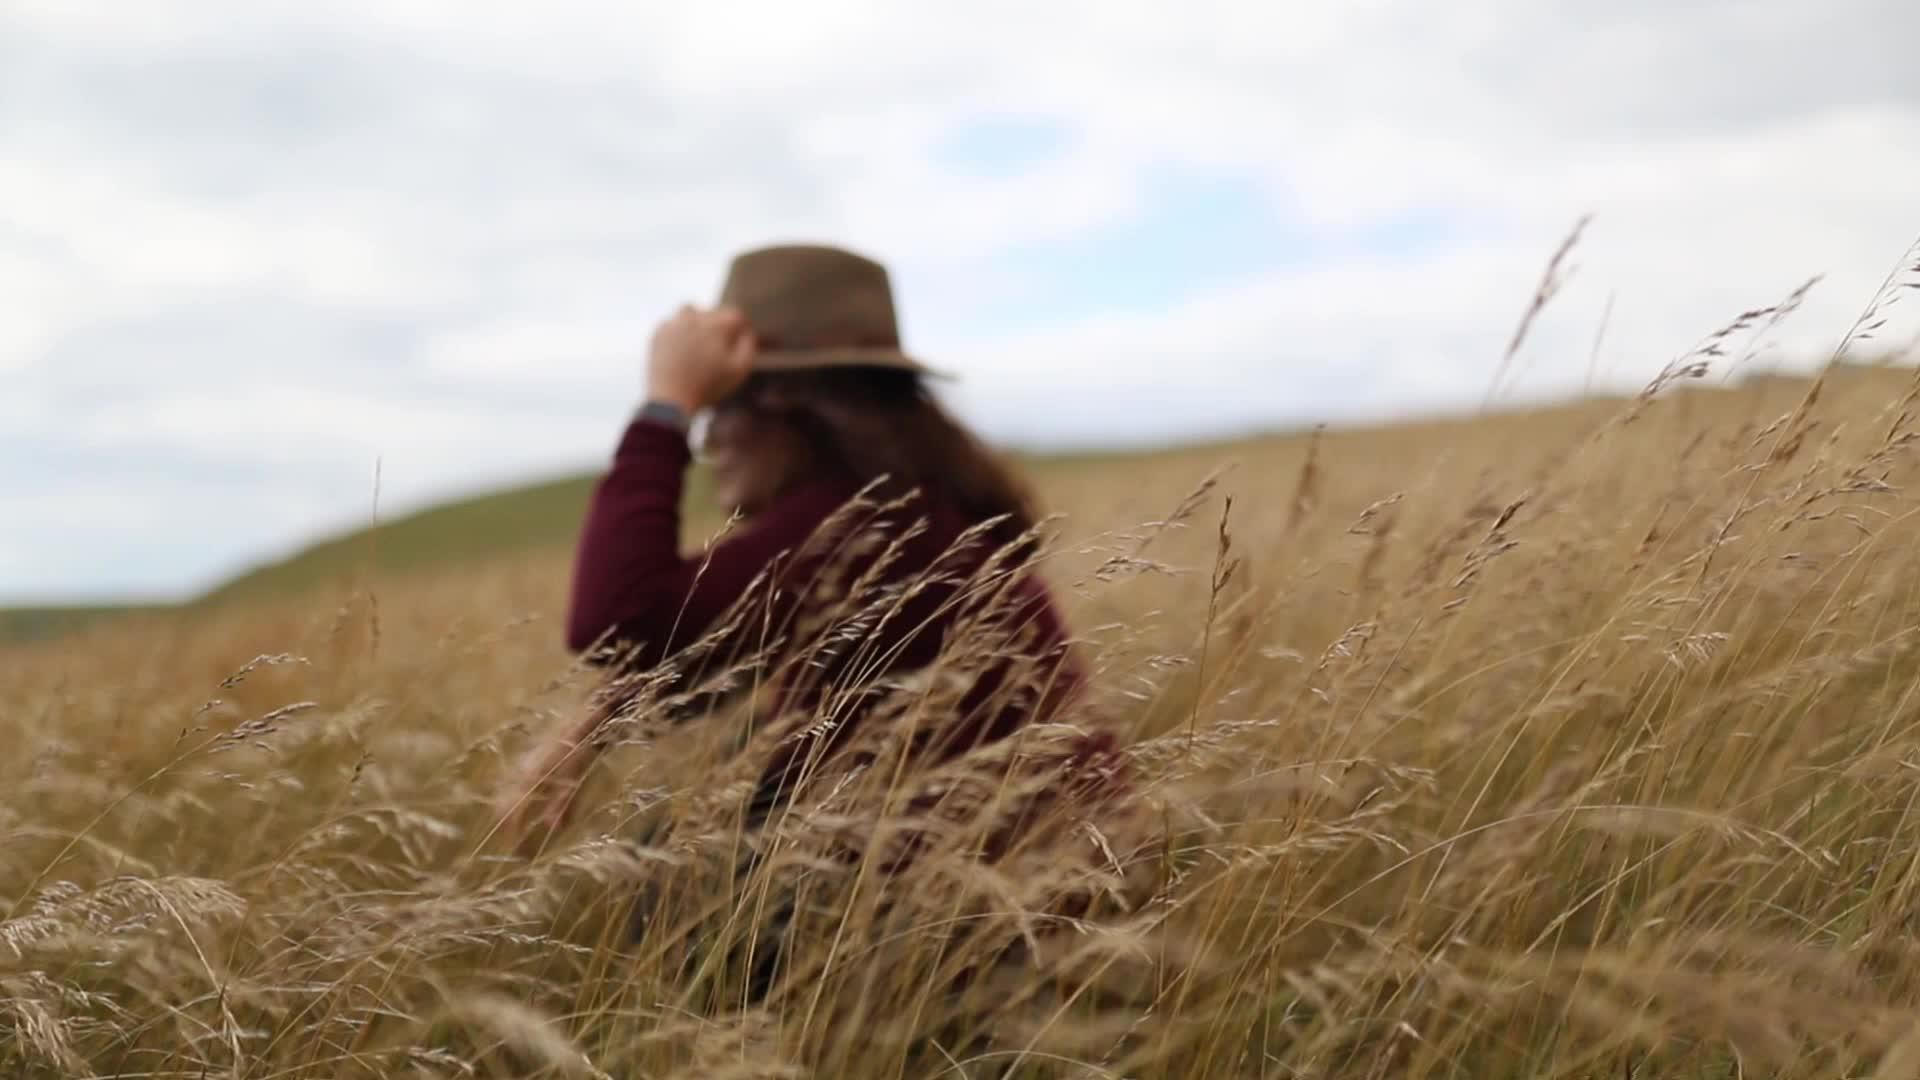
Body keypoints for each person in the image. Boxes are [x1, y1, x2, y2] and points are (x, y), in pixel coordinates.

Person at [494, 243, 1126, 862]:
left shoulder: (862, 521)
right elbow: (725, 644)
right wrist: (601, 719)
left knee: (680, 858)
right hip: (1033, 887)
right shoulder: (906, 509)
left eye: (727, 403)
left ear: (802, 411)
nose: (710, 436)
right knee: (731, 792)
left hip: (998, 913)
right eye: (707, 406)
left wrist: (666, 406)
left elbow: (616, 614)